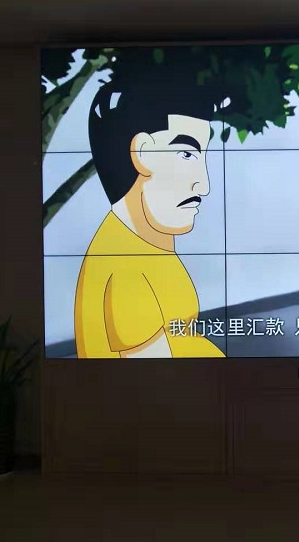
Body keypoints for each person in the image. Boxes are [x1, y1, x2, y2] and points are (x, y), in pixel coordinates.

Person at [74, 69, 225, 358]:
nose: (203, 186)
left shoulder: (143, 243)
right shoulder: (125, 267)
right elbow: (156, 378)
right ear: (141, 153)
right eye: (187, 154)